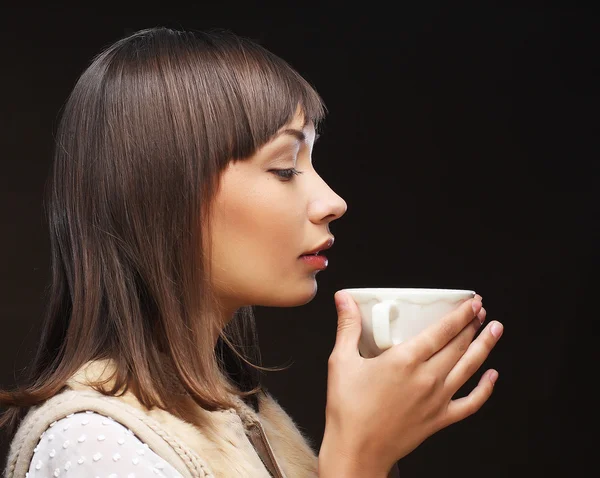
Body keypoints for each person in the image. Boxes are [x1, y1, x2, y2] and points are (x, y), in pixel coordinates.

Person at [0, 26, 502, 478]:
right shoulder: (94, 445)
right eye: (285, 167)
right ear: (163, 195)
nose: (333, 202)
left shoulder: (243, 417)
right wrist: (358, 460)